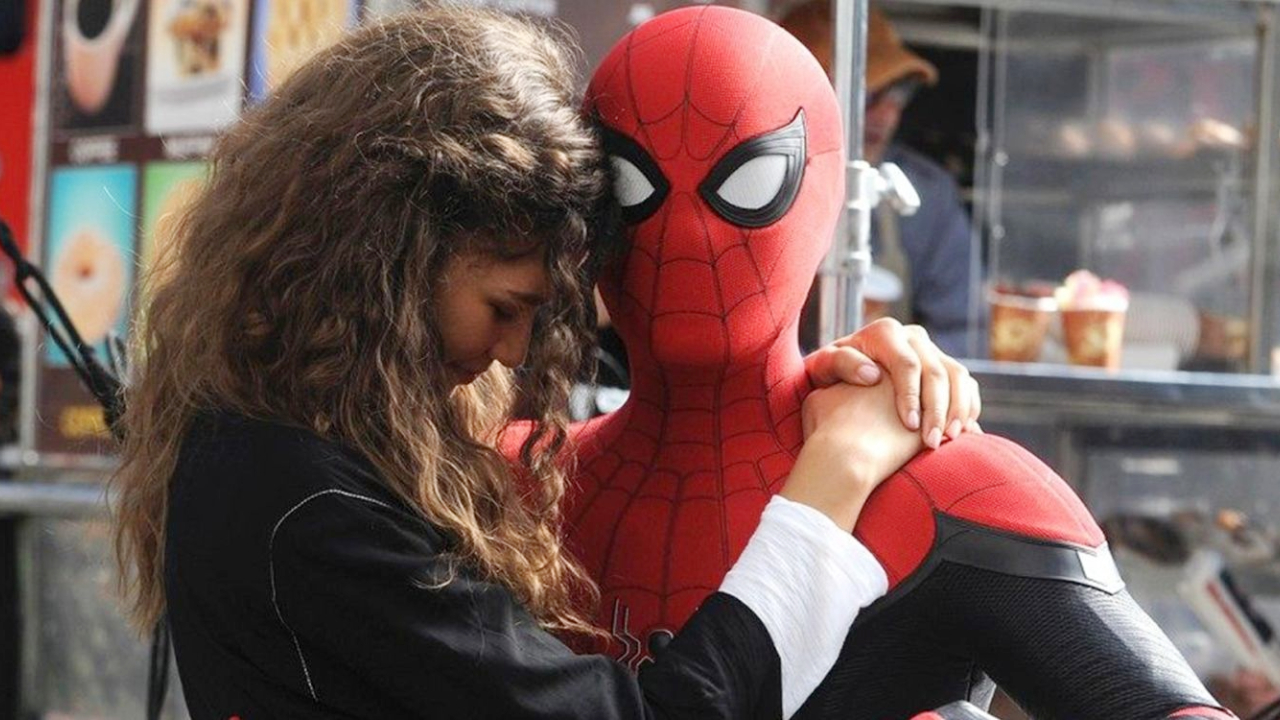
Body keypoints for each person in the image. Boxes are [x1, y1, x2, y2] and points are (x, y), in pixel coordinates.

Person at [108, 8, 982, 719]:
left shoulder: (274, 445)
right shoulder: (316, 508)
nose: (514, 352)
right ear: (391, 259)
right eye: (505, 307)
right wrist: (833, 480)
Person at [572, 6, 1232, 719]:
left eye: (751, 181)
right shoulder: (506, 488)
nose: (689, 237)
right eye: (631, 188)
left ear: (827, 190)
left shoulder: (956, 488)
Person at [781, 1, 974, 357]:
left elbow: (962, 330)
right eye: (868, 95)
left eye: (900, 92)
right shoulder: (751, 189)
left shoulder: (927, 195)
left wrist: (906, 372)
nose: (887, 115)